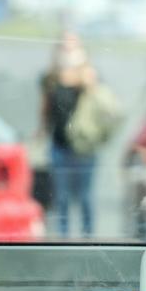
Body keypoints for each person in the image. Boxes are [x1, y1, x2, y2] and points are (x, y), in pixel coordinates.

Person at [37, 32, 98, 236]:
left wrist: (86, 78)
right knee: (61, 197)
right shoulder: (51, 79)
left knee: (85, 196)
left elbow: (99, 106)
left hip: (84, 147)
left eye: (74, 47)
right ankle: (64, 239)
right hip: (59, 145)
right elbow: (45, 108)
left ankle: (89, 238)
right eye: (65, 47)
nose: (69, 52)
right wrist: (41, 131)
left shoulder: (88, 77)